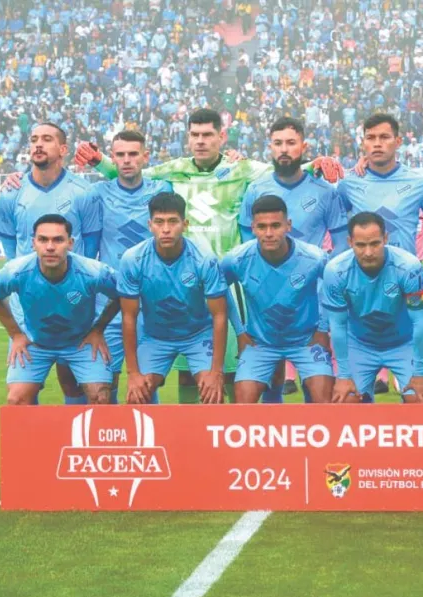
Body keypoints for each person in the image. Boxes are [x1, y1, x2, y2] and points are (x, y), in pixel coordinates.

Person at [76, 108, 343, 404]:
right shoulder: (173, 170)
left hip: (228, 284)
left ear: (222, 136)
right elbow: (130, 171)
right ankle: (193, 440)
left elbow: (283, 169)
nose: (200, 141)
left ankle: (243, 433)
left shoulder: (241, 170)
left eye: (207, 135)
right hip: (182, 284)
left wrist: (316, 164)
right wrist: (100, 161)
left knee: (234, 369)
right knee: (188, 373)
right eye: (195, 135)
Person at [239, 116, 349, 402]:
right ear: (270, 148)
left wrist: (326, 314)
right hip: (267, 299)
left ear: (304, 146)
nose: (284, 149)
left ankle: (315, 441)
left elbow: (339, 254)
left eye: (290, 142)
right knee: (269, 380)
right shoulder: (255, 190)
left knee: (317, 384)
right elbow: (247, 249)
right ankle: (273, 443)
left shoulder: (325, 192)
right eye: (278, 143)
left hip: (311, 302)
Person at [338, 113, 423, 394]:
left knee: (418, 390)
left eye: (384, 137)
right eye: (371, 138)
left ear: (398, 141)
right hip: (362, 288)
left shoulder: (419, 182)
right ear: (363, 143)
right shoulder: (349, 184)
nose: (377, 144)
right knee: (354, 394)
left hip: (407, 285)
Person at [0, 123, 99, 405]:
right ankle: (32, 450)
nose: (38, 144)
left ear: (63, 149)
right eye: (34, 139)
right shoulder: (9, 193)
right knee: (21, 395)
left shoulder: (83, 192)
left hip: (74, 305)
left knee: (74, 385)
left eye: (47, 139)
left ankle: (75, 447)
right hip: (27, 309)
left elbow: (91, 249)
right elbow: (11, 254)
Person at [72, 130, 172, 404]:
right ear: (112, 158)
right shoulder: (97, 194)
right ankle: (109, 444)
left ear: (145, 157)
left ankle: (149, 444)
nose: (127, 160)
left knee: (146, 384)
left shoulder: (161, 191)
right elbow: (89, 253)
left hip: (153, 302)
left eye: (133, 154)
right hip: (110, 304)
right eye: (120, 155)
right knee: (104, 387)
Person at [0, 214, 119, 406]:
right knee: (16, 399)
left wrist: (98, 329)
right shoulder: (16, 272)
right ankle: (35, 437)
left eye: (58, 240)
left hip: (80, 342)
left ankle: (83, 435)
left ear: (70, 243)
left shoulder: (93, 272)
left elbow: (120, 294)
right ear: (33, 243)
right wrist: (15, 334)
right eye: (43, 240)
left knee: (101, 396)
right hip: (34, 341)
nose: (50, 247)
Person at [118, 192, 229, 405]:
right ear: (150, 225)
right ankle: (155, 438)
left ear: (185, 224)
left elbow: (219, 315)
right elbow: (129, 317)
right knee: (138, 394)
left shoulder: (204, 258)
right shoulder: (133, 259)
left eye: (173, 222)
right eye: (159, 222)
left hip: (198, 334)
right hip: (155, 336)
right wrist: (133, 373)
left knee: (212, 393)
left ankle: (201, 438)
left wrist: (216, 371)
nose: (166, 229)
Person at [223, 195, 335, 403]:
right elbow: (217, 290)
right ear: (253, 228)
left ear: (288, 226)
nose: (268, 233)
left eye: (275, 226)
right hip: (261, 343)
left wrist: (322, 328)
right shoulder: (237, 259)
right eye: (262, 227)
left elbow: (335, 287)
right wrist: (240, 331)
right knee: (243, 402)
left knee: (323, 399)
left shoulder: (314, 258)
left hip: (306, 341)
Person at [321, 211, 423, 404]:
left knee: (418, 399)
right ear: (350, 242)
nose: (368, 252)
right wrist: (343, 375)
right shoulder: (335, 271)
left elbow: (421, 324)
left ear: (386, 239)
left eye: (375, 243)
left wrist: (420, 372)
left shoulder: (409, 268)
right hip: (359, 344)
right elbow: (338, 327)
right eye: (360, 245)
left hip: (403, 343)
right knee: (346, 400)